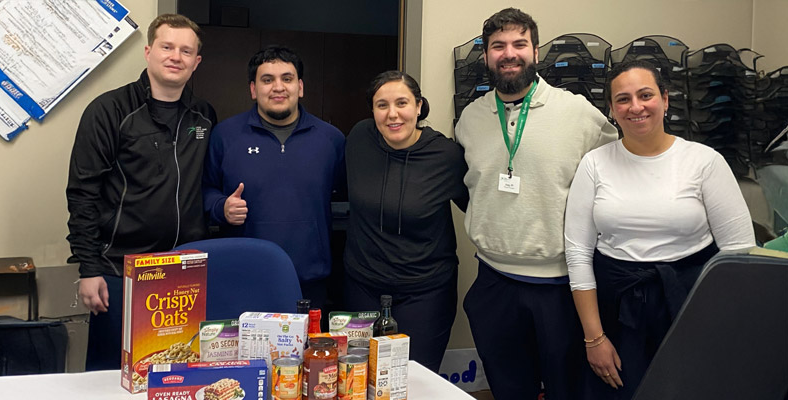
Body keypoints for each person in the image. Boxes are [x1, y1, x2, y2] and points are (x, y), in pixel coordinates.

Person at [564, 59, 756, 399]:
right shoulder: (594, 164)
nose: (635, 107)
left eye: (645, 95)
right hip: (616, 308)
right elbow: (578, 252)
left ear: (665, 100)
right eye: (623, 99)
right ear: (611, 109)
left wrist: (720, 330)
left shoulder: (704, 162)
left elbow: (738, 255)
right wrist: (594, 338)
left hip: (691, 303)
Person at [454, 8, 619, 400]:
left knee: (568, 391)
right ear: (486, 55)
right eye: (498, 46)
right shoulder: (471, 118)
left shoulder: (577, 113)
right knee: (510, 390)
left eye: (519, 44)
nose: (509, 53)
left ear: (536, 51)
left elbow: (616, 174)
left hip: (560, 287)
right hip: (493, 280)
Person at [66, 14, 216, 371]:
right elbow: (82, 194)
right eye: (167, 47)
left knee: (177, 375)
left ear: (196, 62)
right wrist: (88, 268)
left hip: (183, 273)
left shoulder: (205, 116)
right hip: (121, 272)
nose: (175, 56)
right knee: (109, 377)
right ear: (149, 52)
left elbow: (208, 184)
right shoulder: (109, 110)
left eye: (186, 50)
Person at [343, 71, 468, 372]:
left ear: (419, 106)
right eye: (381, 105)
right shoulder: (359, 139)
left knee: (413, 378)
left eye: (402, 103)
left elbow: (480, 209)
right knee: (360, 375)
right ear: (372, 111)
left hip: (424, 291)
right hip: (362, 283)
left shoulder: (446, 155)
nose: (392, 114)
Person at [202, 46, 345, 310]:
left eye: (287, 78)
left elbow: (345, 197)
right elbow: (204, 189)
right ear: (253, 90)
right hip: (245, 276)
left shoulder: (331, 139)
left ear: (300, 87)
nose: (278, 87)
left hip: (311, 280)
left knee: (307, 352)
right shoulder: (225, 136)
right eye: (267, 79)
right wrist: (220, 207)